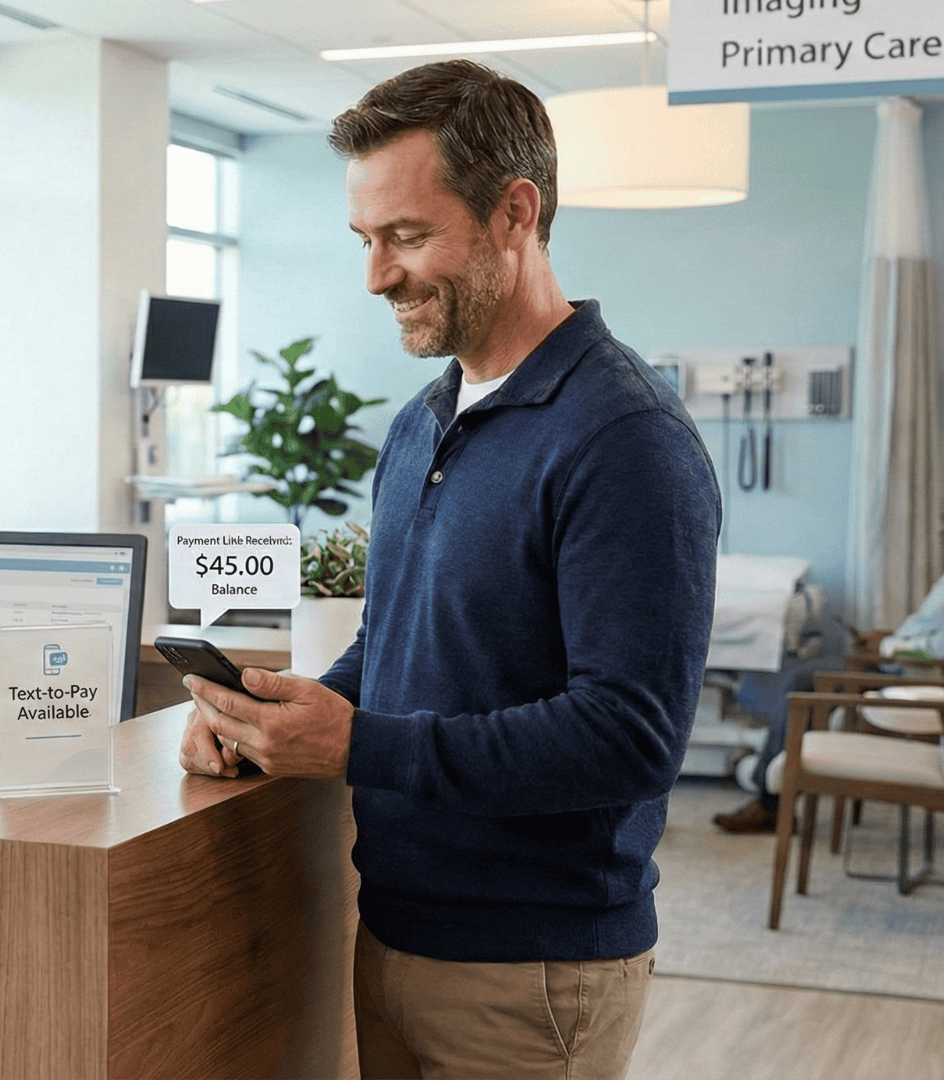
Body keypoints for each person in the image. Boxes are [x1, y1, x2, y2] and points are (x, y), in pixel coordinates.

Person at [177, 60, 719, 1080]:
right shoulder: (421, 424)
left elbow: (630, 736)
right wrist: (274, 718)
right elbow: (398, 643)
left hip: (534, 972)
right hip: (392, 932)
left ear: (515, 212)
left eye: (408, 236)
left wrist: (360, 744)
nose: (377, 274)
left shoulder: (623, 438)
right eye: (367, 240)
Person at [714, 486, 944, 833]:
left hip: (916, 680)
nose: (942, 530)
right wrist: (889, 638)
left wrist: (890, 649)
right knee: (809, 672)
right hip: (909, 667)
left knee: (798, 682)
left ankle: (771, 802)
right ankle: (777, 786)